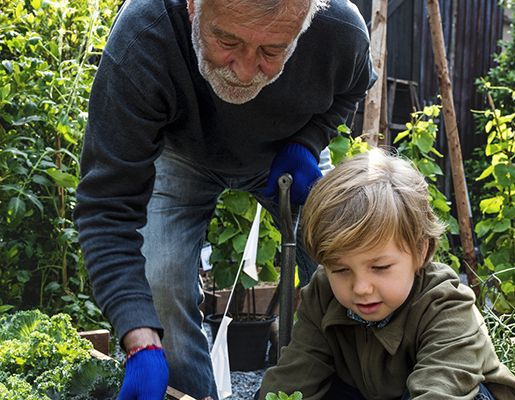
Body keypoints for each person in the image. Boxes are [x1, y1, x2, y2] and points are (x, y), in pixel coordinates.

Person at [74, 0, 376, 397]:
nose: (246, 70)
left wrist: (308, 141)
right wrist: (139, 337)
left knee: (354, 260)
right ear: (193, 8)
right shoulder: (144, 35)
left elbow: (349, 89)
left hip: (287, 149)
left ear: (304, 27)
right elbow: (107, 204)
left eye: (272, 50)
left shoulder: (338, 27)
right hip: (182, 153)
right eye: (227, 40)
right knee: (161, 285)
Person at [256, 149, 515, 400]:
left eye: (380, 267)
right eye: (341, 269)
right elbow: (294, 376)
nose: (361, 287)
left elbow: (440, 391)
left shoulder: (446, 305)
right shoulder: (323, 293)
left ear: (420, 251)